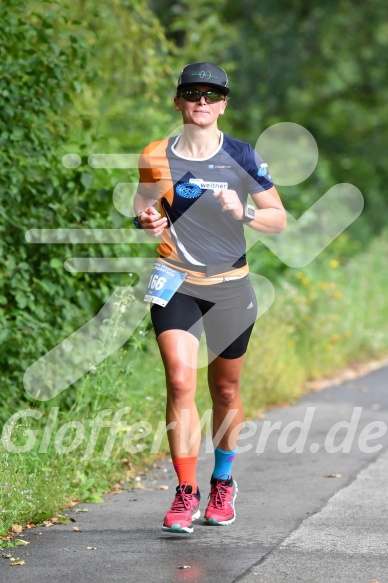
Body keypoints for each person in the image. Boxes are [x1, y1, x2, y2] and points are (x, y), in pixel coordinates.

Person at [133, 62, 286, 534]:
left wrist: (245, 213)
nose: (202, 102)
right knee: (180, 380)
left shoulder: (241, 155)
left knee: (224, 389)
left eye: (212, 95)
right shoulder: (156, 154)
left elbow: (278, 217)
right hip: (175, 280)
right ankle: (185, 492)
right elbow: (143, 200)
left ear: (223, 104)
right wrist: (146, 219)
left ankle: (222, 481)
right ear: (177, 101)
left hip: (230, 287)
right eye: (192, 93)